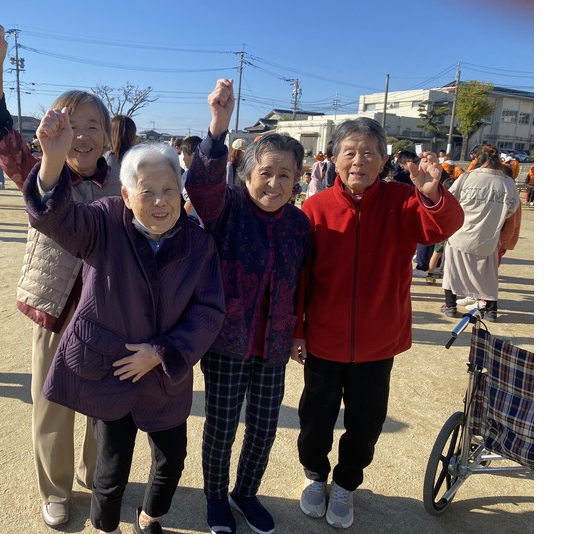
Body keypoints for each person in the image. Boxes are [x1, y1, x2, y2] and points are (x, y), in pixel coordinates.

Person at [27, 110, 226, 534]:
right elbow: (54, 219)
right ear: (126, 194)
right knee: (110, 465)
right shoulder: (103, 221)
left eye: (169, 190)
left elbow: (208, 312)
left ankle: (150, 515)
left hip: (164, 375)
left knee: (171, 459)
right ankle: (106, 527)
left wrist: (162, 352)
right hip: (110, 368)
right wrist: (53, 160)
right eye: (147, 191)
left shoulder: (198, 244)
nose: (160, 201)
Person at [0, 23, 121, 529]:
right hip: (56, 309)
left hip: (108, 314)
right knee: (52, 402)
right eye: (70, 124)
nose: (82, 134)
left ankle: (94, 474)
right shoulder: (39, 170)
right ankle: (55, 489)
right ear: (51, 130)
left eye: (92, 125)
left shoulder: (125, 180)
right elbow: (1, 138)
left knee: (103, 404)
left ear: (108, 135)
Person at [293, 117, 463, 530]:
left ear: (384, 160)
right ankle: (315, 475)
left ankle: (346, 483)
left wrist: (431, 193)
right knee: (315, 417)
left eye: (369, 153)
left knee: (366, 422)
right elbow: (301, 275)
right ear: (334, 159)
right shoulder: (316, 207)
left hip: (378, 340)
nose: (359, 161)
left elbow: (442, 227)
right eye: (349, 152)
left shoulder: (403, 199)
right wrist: (297, 329)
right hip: (324, 339)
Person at [184, 79, 311, 534]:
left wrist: (298, 330)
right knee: (221, 426)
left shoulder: (299, 224)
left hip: (273, 344)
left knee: (263, 427)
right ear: (248, 174)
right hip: (227, 339)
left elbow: (301, 283)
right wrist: (217, 127)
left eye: (285, 175)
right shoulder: (227, 208)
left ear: (297, 178)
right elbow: (200, 185)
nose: (274, 183)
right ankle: (216, 496)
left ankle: (247, 491)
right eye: (266, 172)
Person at [440, 144, 521, 322]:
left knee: (452, 271)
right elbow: (512, 211)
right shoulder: (508, 183)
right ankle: (491, 310)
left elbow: (449, 201)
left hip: (460, 234)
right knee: (488, 276)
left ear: (478, 159)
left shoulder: (467, 178)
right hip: (489, 237)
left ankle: (450, 305)